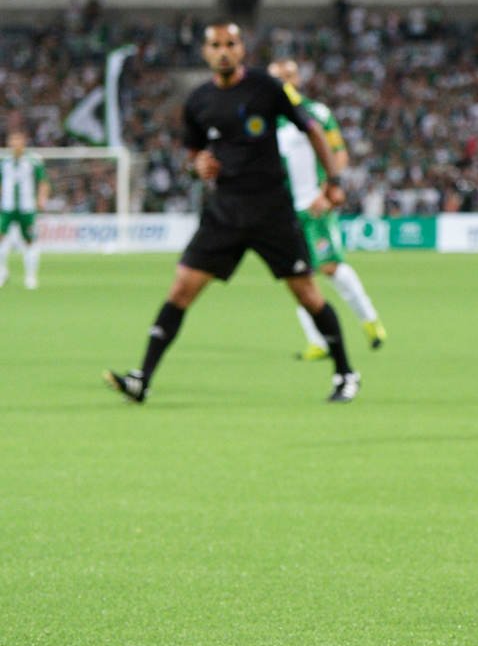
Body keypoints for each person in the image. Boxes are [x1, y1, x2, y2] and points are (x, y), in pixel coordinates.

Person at [104, 23, 360, 404]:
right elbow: (195, 154)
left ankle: (345, 374)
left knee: (307, 293)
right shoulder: (198, 101)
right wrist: (200, 165)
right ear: (205, 53)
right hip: (224, 211)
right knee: (181, 289)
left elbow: (311, 129)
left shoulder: (266, 88)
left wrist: (334, 181)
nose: (223, 51)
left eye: (231, 44)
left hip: (271, 208)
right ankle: (142, 379)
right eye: (215, 45)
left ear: (242, 49)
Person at [266, 59, 388, 358]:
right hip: (285, 212)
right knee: (298, 277)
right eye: (277, 77)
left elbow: (339, 154)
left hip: (313, 205)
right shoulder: (266, 120)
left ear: (298, 78)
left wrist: (327, 189)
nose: (284, 81)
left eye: (289, 75)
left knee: (331, 267)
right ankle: (317, 342)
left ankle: (369, 320)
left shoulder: (316, 113)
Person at [0, 127, 48, 290]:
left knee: (29, 240)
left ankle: (31, 277)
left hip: (26, 208)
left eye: (18, 140)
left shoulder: (33, 161)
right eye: (12, 140)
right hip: (6, 207)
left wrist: (41, 198)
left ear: (24, 142)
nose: (15, 143)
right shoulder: (3, 161)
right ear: (8, 143)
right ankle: (2, 271)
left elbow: (43, 181)